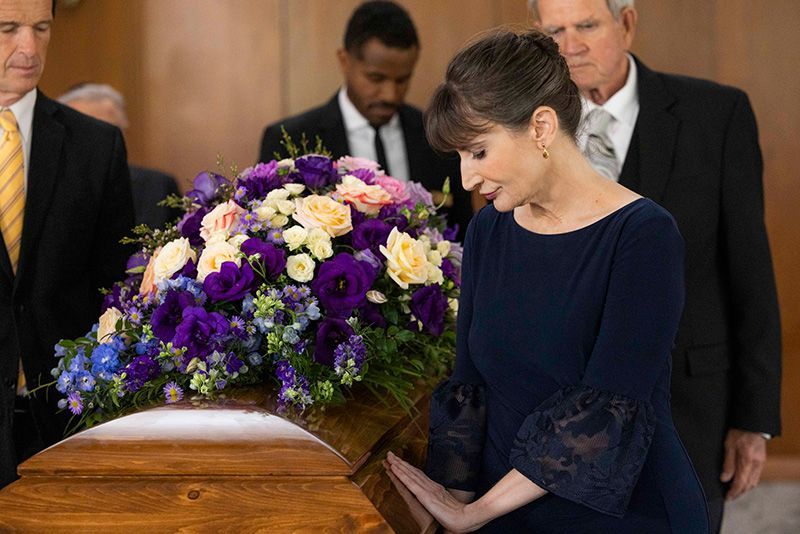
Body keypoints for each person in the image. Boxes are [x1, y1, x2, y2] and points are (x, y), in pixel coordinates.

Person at [385, 28, 709, 533]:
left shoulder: (645, 235)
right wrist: (453, 505)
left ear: (540, 127)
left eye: (478, 152)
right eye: (459, 158)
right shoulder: (491, 227)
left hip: (621, 515)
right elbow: (469, 385)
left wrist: (474, 513)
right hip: (498, 510)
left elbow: (606, 409)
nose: (466, 179)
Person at [528, 1, 782, 530]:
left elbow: (751, 275)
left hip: (692, 407)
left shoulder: (717, 114)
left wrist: (753, 419)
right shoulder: (525, 126)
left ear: (627, 23)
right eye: (555, 30)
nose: (571, 45)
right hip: (559, 413)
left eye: (587, 25)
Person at [0, 0, 134, 488]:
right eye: (8, 29)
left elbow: (115, 289)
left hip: (62, 420)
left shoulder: (96, 146)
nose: (28, 48)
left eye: (41, 28)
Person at [259, 0, 472, 239]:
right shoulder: (291, 140)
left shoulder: (439, 135)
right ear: (344, 61)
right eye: (375, 78)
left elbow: (464, 236)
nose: (390, 94)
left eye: (402, 79)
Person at [57, 83, 181, 230]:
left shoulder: (158, 187)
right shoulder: (47, 190)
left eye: (110, 134)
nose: (102, 143)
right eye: (89, 134)